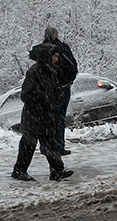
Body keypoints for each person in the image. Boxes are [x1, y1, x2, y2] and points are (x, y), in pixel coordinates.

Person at [12, 43, 74, 182]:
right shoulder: (34, 72)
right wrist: (42, 101)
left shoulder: (52, 71)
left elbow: (56, 90)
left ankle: (57, 171)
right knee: (29, 144)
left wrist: (56, 99)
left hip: (46, 116)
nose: (57, 59)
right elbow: (25, 95)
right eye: (56, 56)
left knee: (50, 145)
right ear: (48, 56)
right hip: (34, 116)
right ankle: (19, 170)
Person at [43, 26, 78, 156]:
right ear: (56, 35)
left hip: (47, 90)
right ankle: (59, 145)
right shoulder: (62, 48)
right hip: (62, 87)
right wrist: (68, 80)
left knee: (48, 118)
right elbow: (72, 66)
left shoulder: (41, 50)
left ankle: (47, 145)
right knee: (60, 117)